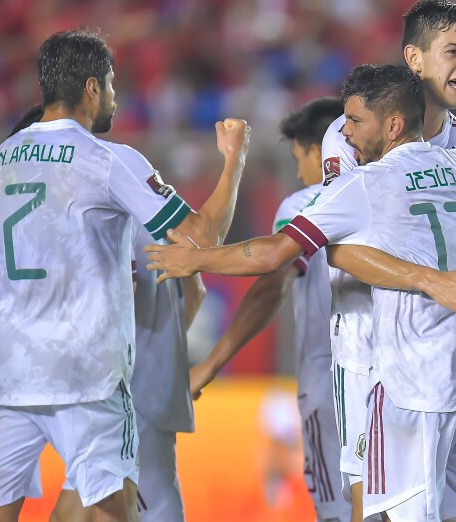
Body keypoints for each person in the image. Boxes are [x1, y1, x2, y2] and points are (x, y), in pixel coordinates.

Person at [147, 63, 456, 522]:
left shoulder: (365, 185)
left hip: (408, 386)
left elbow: (272, 255)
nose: (344, 133)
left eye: (353, 121)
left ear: (392, 125)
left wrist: (194, 260)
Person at [0, 30, 250, 522]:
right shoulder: (108, 160)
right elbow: (201, 239)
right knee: (116, 512)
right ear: (93, 87)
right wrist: (234, 162)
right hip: (87, 378)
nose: (116, 98)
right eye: (114, 85)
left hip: (7, 377)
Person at [319, 2, 456, 510]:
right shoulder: (353, 132)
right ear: (413, 58)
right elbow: (341, 250)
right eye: (452, 51)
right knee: (375, 505)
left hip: (454, 361)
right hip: (369, 349)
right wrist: (432, 280)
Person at [189, 96, 353, 521]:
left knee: (337, 512)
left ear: (318, 151)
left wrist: (209, 366)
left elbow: (270, 287)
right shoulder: (389, 194)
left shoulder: (302, 204)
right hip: (397, 383)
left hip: (330, 382)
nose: (299, 171)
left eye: (300, 158)